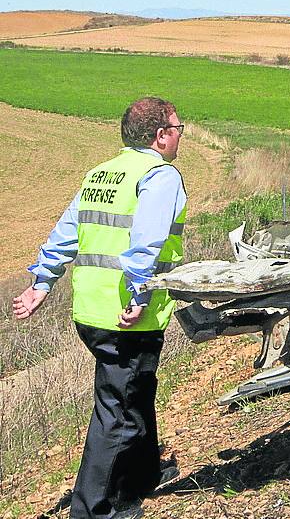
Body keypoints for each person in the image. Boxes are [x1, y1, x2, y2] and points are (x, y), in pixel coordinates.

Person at [12, 97, 187, 519]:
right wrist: (139, 296)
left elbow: (64, 233)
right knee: (118, 411)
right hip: (126, 313)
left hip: (90, 310)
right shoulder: (160, 176)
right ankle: (93, 510)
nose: (182, 135)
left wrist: (42, 282)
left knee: (137, 389)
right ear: (161, 135)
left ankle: (143, 476)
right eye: (180, 128)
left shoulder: (100, 174)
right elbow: (144, 244)